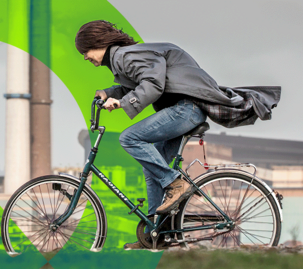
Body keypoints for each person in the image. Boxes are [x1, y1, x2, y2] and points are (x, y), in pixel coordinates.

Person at [75, 20, 281, 250]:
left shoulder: (124, 55)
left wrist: (123, 103)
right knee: (154, 165)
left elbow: (153, 83)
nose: (85, 57)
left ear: (99, 43)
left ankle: (175, 183)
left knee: (129, 138)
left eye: (85, 51)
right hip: (183, 109)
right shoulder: (125, 58)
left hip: (186, 109)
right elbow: (141, 81)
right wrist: (108, 92)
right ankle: (156, 233)